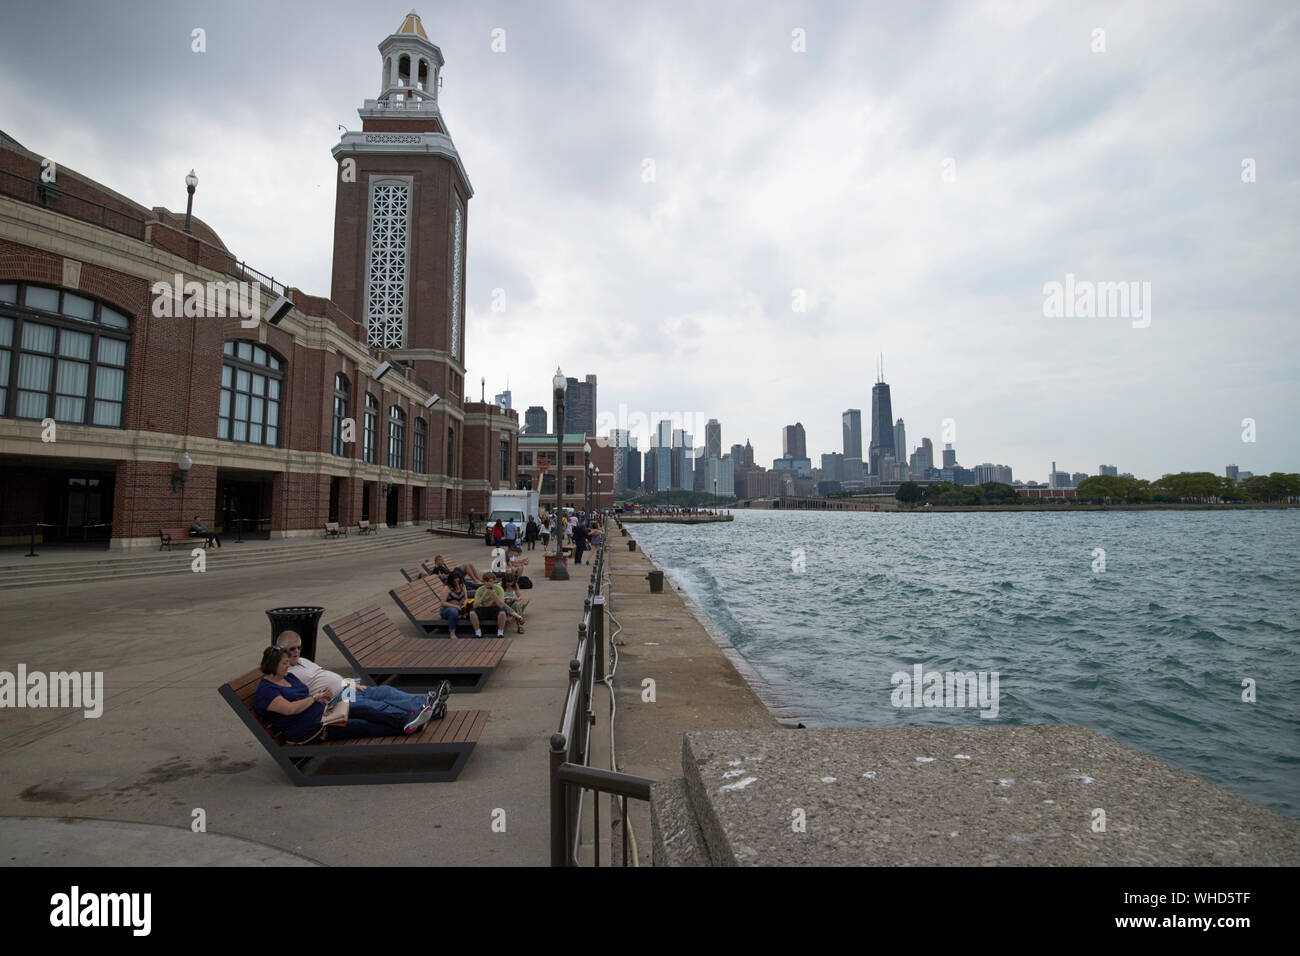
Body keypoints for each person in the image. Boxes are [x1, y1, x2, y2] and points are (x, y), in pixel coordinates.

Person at [254, 645, 445, 743]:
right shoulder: (267, 691)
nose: (288, 666)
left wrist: (322, 695)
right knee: (362, 725)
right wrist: (315, 698)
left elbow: (305, 696)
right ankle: (410, 724)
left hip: (325, 711)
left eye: (288, 662)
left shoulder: (288, 678)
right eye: (284, 664)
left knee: (364, 706)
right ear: (272, 665)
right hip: (312, 728)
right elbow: (290, 709)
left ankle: (410, 718)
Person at [275, 631, 449, 731]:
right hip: (335, 701)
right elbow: (300, 698)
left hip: (346, 687)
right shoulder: (286, 673)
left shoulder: (302, 661)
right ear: (281, 650)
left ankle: (427, 702)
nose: (297, 651)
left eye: (299, 647)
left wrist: (352, 684)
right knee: (374, 704)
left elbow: (325, 675)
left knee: (384, 691)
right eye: (292, 649)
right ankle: (424, 711)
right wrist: (320, 698)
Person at [469, 572, 524, 638]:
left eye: (490, 581)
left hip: (495, 608)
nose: (488, 583)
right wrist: (483, 595)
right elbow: (475, 606)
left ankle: (500, 632)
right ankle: (478, 632)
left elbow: (501, 605)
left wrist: (494, 595)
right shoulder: (479, 590)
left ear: (494, 581)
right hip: (483, 608)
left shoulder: (498, 589)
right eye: (486, 581)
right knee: (472, 612)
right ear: (483, 582)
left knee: (504, 611)